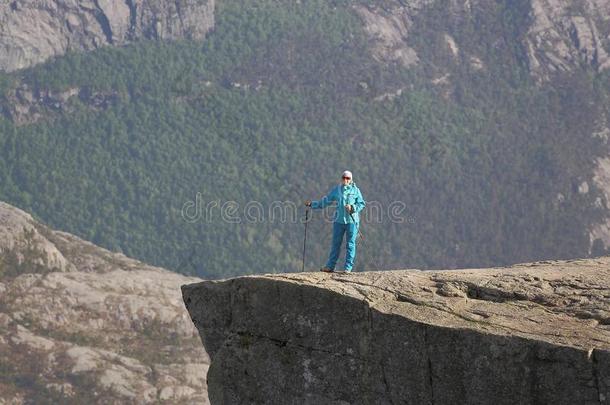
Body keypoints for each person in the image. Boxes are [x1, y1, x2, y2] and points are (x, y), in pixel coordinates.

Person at [305, 170, 366, 273]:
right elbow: (325, 202)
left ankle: (348, 268)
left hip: (352, 221)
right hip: (339, 221)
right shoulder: (337, 190)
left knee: (350, 244)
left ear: (351, 180)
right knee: (335, 244)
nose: (345, 180)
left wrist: (353, 207)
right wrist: (312, 204)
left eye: (348, 178)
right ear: (341, 178)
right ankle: (330, 266)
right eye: (344, 177)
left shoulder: (356, 191)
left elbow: (362, 204)